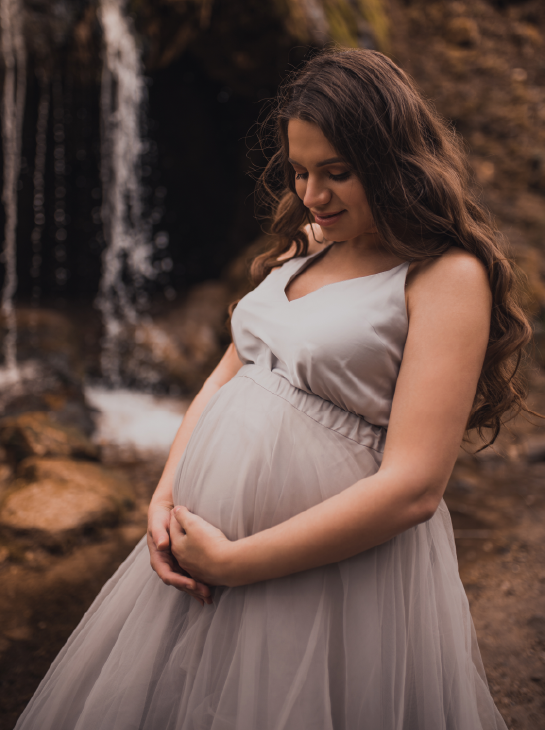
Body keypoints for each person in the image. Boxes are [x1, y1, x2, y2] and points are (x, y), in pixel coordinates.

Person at [16, 48, 532, 730]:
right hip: (206, 555)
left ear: (392, 160)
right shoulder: (309, 244)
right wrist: (165, 494)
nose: (312, 195)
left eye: (336, 173)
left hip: (325, 574)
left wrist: (237, 562)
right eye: (299, 172)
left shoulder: (444, 277)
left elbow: (413, 486)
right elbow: (229, 370)